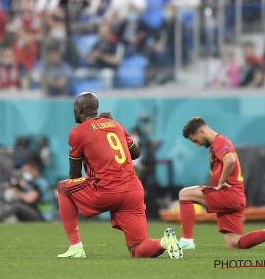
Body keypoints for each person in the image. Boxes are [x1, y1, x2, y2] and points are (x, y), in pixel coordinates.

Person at [56, 92, 183, 259]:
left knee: (63, 187)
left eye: (74, 108)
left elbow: (74, 174)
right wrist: (112, 124)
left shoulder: (77, 132)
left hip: (105, 190)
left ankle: (75, 247)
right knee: (137, 249)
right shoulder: (115, 124)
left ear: (78, 109)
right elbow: (136, 154)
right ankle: (164, 243)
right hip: (133, 191)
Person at [179, 117, 265, 250]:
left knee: (184, 194)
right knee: (235, 244)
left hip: (228, 195)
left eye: (195, 140)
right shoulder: (218, 143)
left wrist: (221, 182)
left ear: (202, 131)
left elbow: (230, 160)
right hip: (236, 198)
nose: (197, 144)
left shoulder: (219, 142)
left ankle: (187, 240)